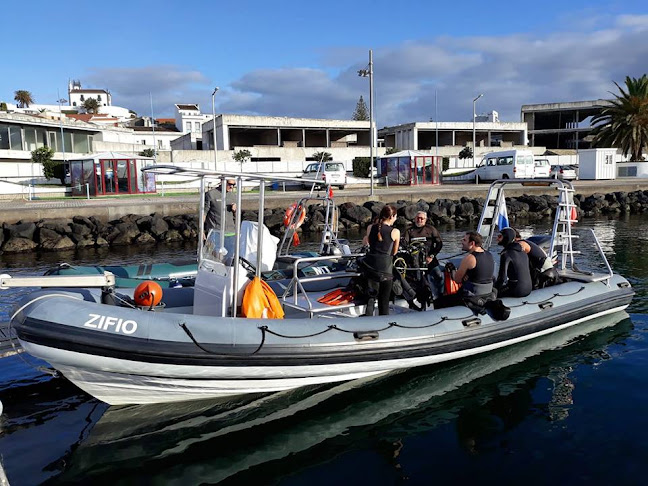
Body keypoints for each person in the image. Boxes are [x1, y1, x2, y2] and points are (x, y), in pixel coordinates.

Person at [434, 231, 494, 310]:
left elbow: (457, 280)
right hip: (488, 294)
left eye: (464, 240)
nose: (462, 241)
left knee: (438, 302)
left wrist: (452, 269)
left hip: (473, 297)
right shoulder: (489, 254)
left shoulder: (469, 258)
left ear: (472, 243)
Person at [361, 205, 400, 316]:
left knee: (370, 298)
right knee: (384, 301)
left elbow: (368, 243)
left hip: (371, 266)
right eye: (395, 216)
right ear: (392, 216)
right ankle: (383, 322)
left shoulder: (370, 227)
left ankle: (368, 320)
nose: (396, 219)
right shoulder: (395, 231)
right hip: (385, 269)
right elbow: (394, 252)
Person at [405, 211, 444, 300]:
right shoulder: (409, 230)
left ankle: (440, 296)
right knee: (419, 280)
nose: (419, 220)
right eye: (418, 218)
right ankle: (420, 297)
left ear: (425, 220)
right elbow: (404, 244)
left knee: (439, 275)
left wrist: (431, 256)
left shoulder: (431, 229)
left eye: (422, 218)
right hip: (414, 260)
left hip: (429, 258)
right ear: (414, 219)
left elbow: (439, 244)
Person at [495, 227, 532, 298]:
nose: (497, 239)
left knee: (492, 293)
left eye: (499, 236)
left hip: (517, 289)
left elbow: (502, 278)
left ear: (506, 238)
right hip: (529, 288)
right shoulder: (522, 251)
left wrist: (494, 289)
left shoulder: (506, 253)